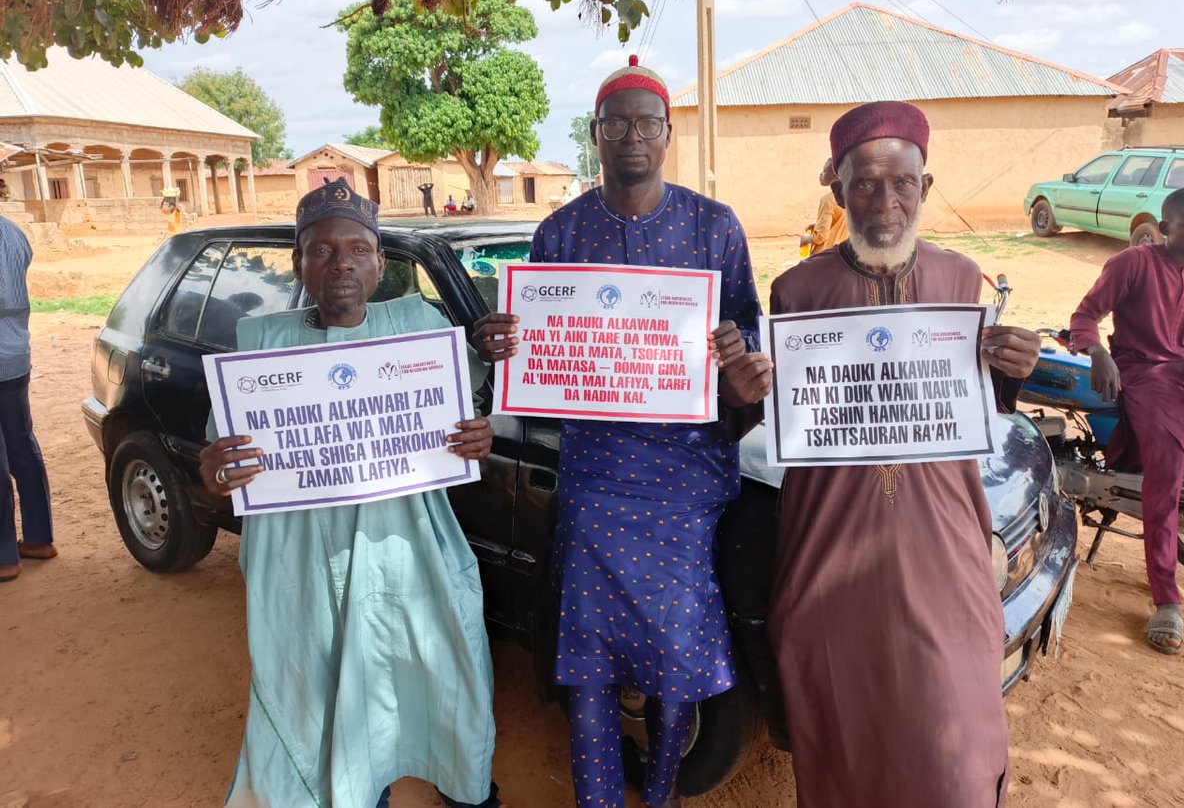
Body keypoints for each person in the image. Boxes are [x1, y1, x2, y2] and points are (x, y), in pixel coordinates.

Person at [472, 55, 769, 808]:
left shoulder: (714, 227)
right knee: (592, 663)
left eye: (646, 123)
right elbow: (535, 380)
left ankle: (662, 789)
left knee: (679, 660)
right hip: (597, 479)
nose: (631, 137)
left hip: (686, 483)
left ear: (667, 133)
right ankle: (599, 798)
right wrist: (506, 347)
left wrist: (740, 354)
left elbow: (749, 356)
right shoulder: (560, 233)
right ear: (595, 135)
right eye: (615, 125)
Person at [766, 102, 1041, 808]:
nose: (884, 203)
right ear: (837, 189)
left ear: (925, 185)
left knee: (957, 750)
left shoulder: (961, 279)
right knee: (843, 746)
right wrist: (747, 385)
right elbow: (779, 413)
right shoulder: (797, 292)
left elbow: (976, 403)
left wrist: (1012, 365)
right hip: (832, 558)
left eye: (903, 184)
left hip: (944, 551)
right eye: (864, 184)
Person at [199, 179, 506, 808]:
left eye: (357, 250)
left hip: (408, 542)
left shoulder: (417, 324)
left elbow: (463, 411)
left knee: (438, 663)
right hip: (301, 558)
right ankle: (355, 790)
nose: (341, 265)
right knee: (316, 680)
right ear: (299, 263)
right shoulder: (262, 345)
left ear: (380, 262)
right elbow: (223, 453)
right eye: (322, 251)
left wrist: (477, 435)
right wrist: (215, 468)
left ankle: (466, 788)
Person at [1069, 186, 1184, 655]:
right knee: (1165, 468)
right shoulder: (1133, 264)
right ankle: (1166, 597)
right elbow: (1085, 315)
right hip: (1144, 374)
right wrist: (1099, 352)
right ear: (1165, 229)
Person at [0, 214, 56, 583]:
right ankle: (38, 538)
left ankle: (4, 557)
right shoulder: (14, 232)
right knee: (21, 443)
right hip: (16, 354)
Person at [799, 157, 848, 257]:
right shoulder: (851, 196)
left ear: (835, 174)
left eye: (825, 170)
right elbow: (840, 221)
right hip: (843, 255)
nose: (821, 174)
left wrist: (805, 239)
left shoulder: (827, 200)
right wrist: (817, 224)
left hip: (825, 256)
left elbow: (821, 236)